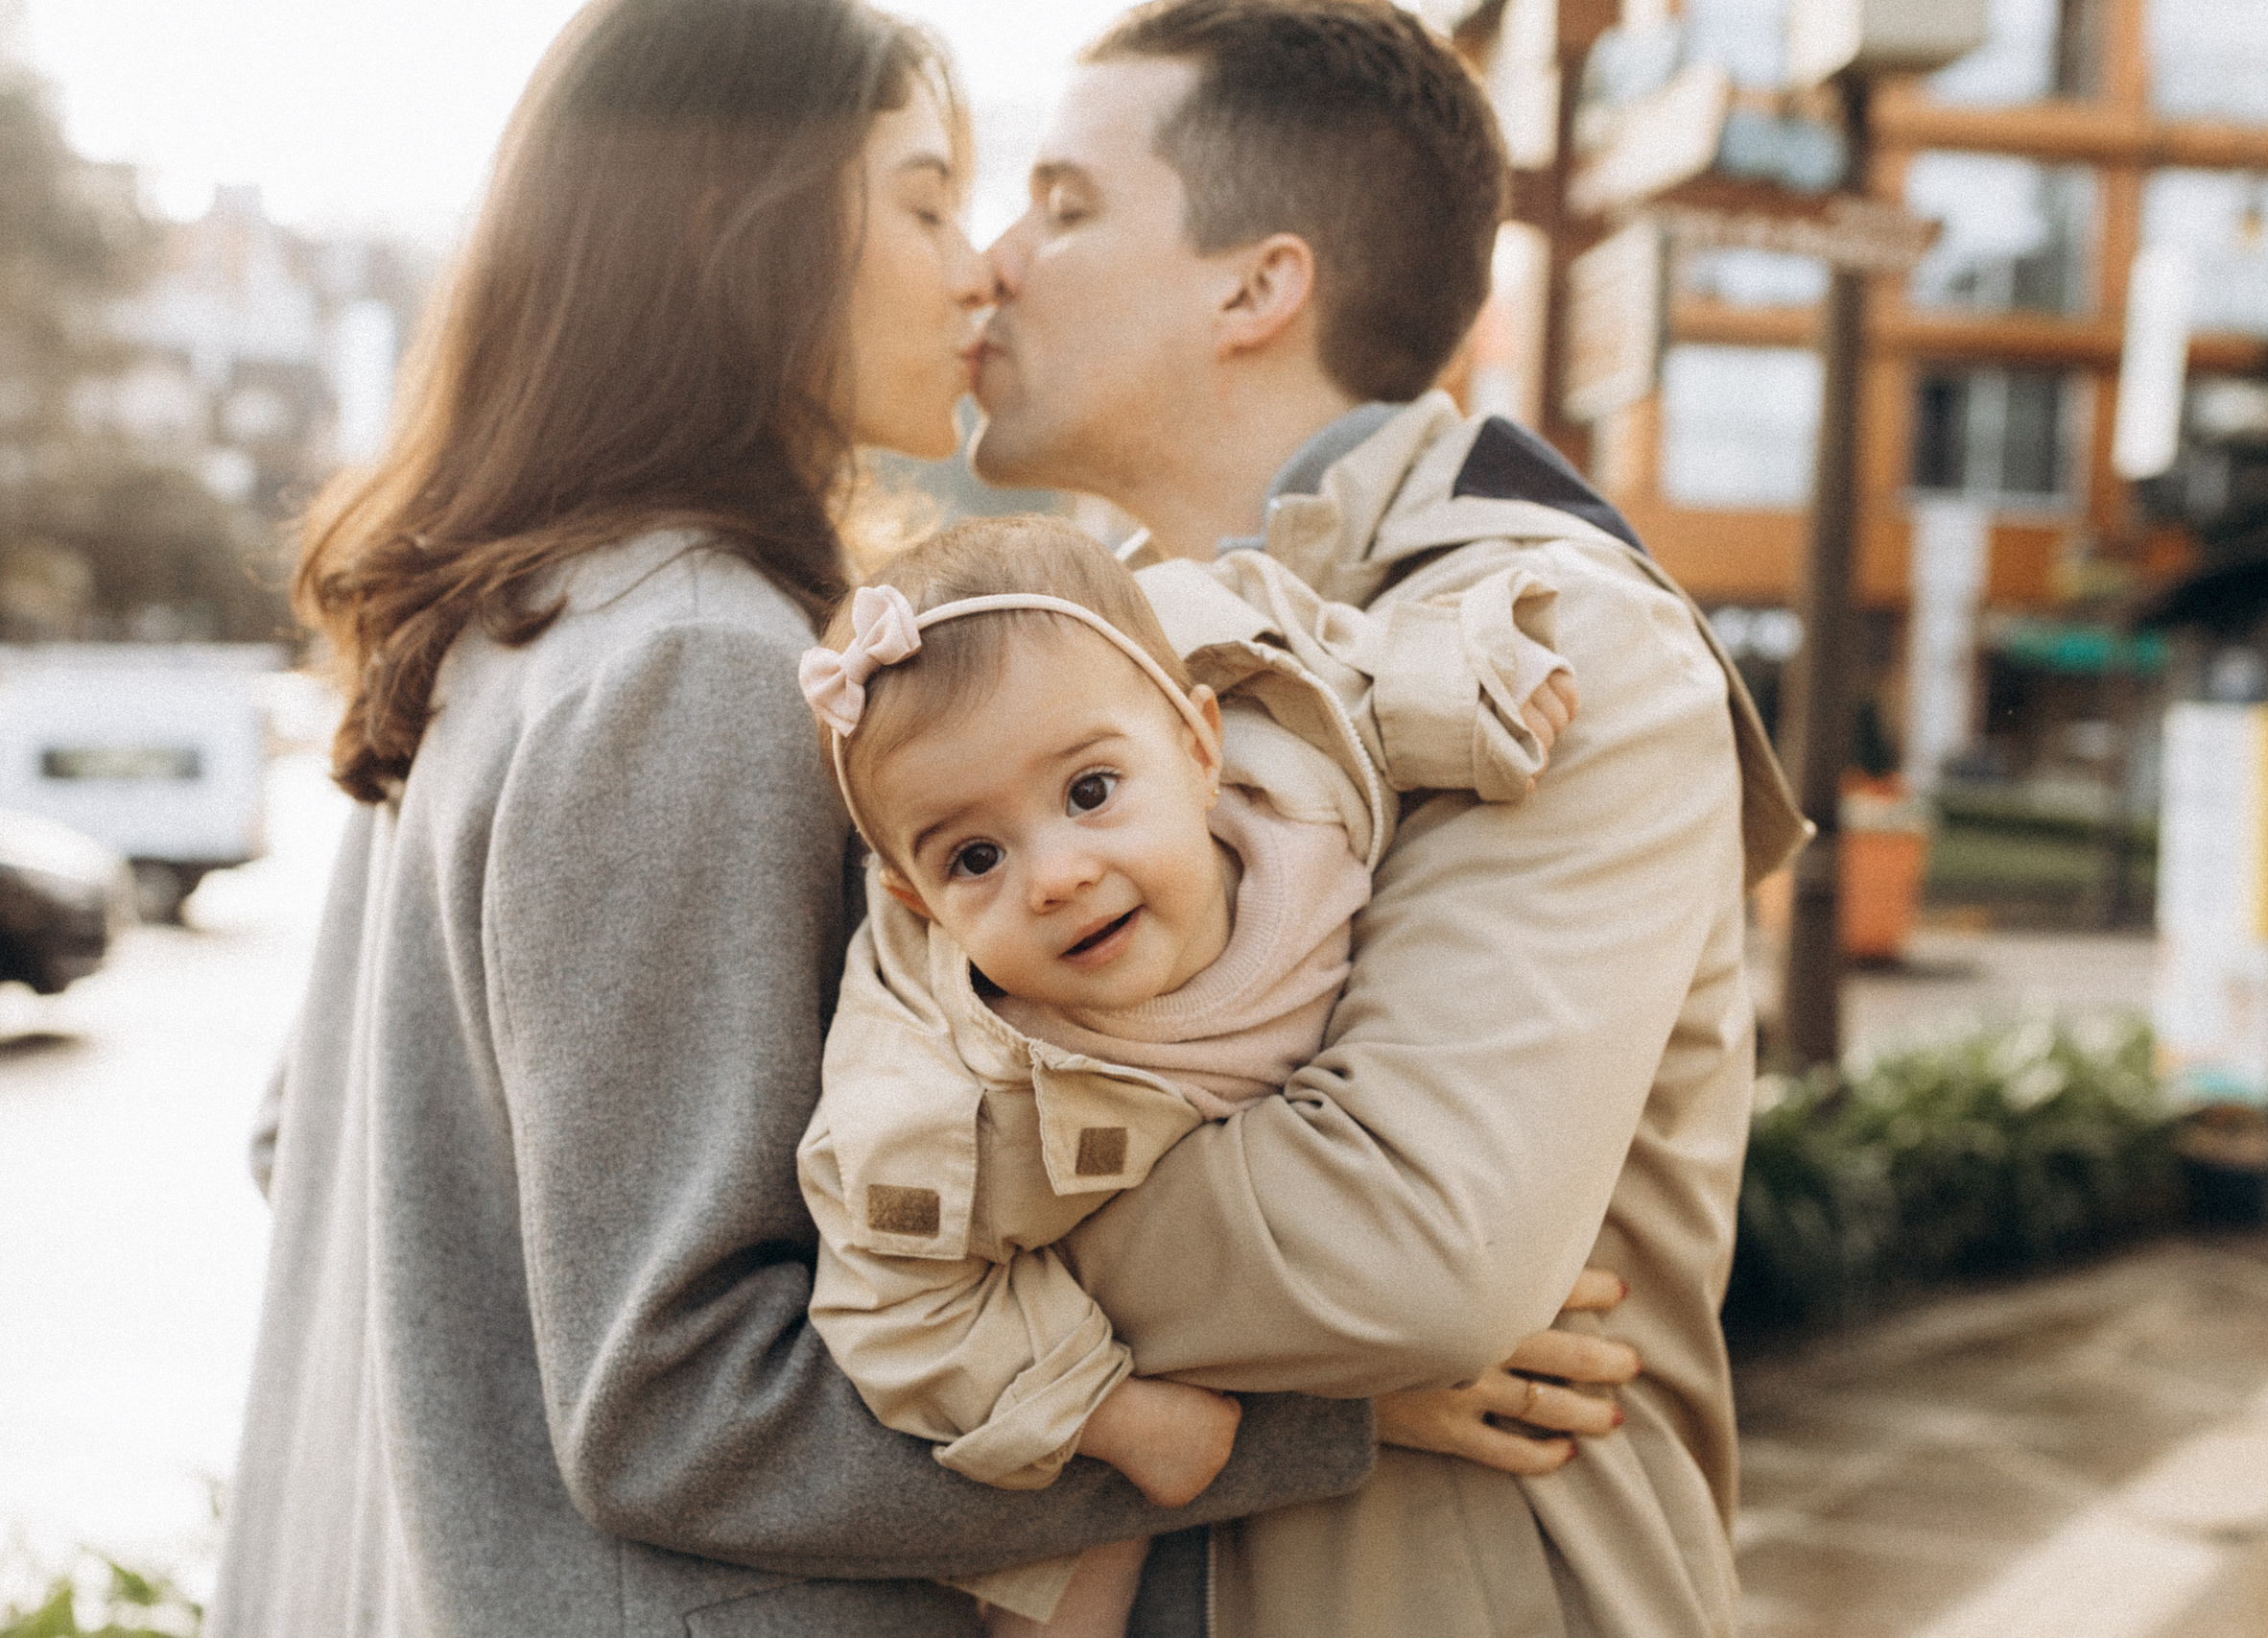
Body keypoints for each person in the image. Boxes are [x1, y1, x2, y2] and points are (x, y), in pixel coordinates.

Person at [214, 2, 1635, 1633]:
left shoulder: (512, 619)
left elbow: (307, 1145)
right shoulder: (693, 661)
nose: (978, 272)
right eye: (926, 203)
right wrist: (1316, 1415)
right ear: (737, 232)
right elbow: (680, 1404)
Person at [962, 3, 1810, 1634]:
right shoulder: (1054, 667)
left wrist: (918, 1216)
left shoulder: (1558, 645)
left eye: (1063, 206)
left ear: (1257, 287)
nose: (994, 264)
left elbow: (1402, 1254)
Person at [793, 517, 1574, 1634]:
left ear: (1202, 748)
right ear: (919, 902)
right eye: (975, 857)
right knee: (1065, 1581)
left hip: (1312, 1226)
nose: (1056, 876)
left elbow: (1348, 671)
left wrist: (1480, 692)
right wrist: (1107, 1414)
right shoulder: (956, 1108)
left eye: (1090, 791)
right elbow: (888, 1303)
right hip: (1103, 1324)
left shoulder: (1300, 780)